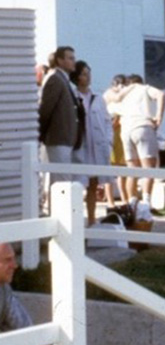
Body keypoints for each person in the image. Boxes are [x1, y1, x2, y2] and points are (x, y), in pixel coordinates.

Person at [108, 75, 165, 207]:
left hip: (126, 130)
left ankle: (131, 201)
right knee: (148, 168)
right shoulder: (144, 88)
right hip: (142, 126)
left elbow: (111, 110)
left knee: (131, 169)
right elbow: (161, 94)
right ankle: (146, 201)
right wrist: (158, 116)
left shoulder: (123, 95)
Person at [69, 61, 114, 225]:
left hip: (97, 145)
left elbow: (107, 121)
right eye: (83, 74)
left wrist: (109, 140)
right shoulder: (72, 96)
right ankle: (75, 220)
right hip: (81, 146)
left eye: (89, 73)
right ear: (76, 77)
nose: (88, 77)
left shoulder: (98, 97)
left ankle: (92, 219)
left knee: (93, 184)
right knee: (78, 184)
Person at [0, 243, 50, 345]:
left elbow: (24, 327)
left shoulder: (4, 289)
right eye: (8, 260)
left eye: (14, 259)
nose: (15, 265)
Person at [38, 46, 80, 184]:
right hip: (57, 138)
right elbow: (46, 109)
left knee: (62, 180)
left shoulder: (63, 78)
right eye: (70, 58)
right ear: (59, 60)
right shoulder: (55, 78)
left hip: (65, 138)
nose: (74, 61)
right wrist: (41, 134)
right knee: (61, 181)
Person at [103, 74, 129, 203]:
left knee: (123, 169)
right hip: (112, 133)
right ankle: (110, 201)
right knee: (111, 170)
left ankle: (125, 200)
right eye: (121, 85)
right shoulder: (109, 94)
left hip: (122, 133)